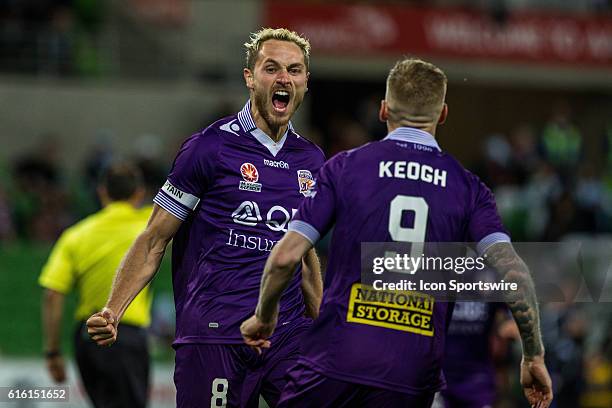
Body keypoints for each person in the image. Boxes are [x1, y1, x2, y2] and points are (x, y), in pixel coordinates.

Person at [241, 58, 554, 408]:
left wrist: (264, 317)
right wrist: (533, 355)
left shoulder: (345, 167)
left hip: (335, 360)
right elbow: (515, 275)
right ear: (443, 114)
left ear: (383, 110)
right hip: (411, 375)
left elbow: (285, 258)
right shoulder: (469, 189)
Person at [86, 28, 324, 408]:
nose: (283, 79)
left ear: (305, 81)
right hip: (215, 334)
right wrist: (113, 310)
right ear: (250, 77)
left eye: (294, 70)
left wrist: (324, 325)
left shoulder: (312, 160)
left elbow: (306, 256)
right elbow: (153, 239)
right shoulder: (208, 148)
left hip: (288, 336)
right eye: (271, 68)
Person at [39, 161, 152, 408]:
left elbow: (52, 294)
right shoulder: (150, 227)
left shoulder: (76, 234)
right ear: (139, 193)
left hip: (87, 337)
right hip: (127, 332)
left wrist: (53, 352)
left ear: (102, 192)